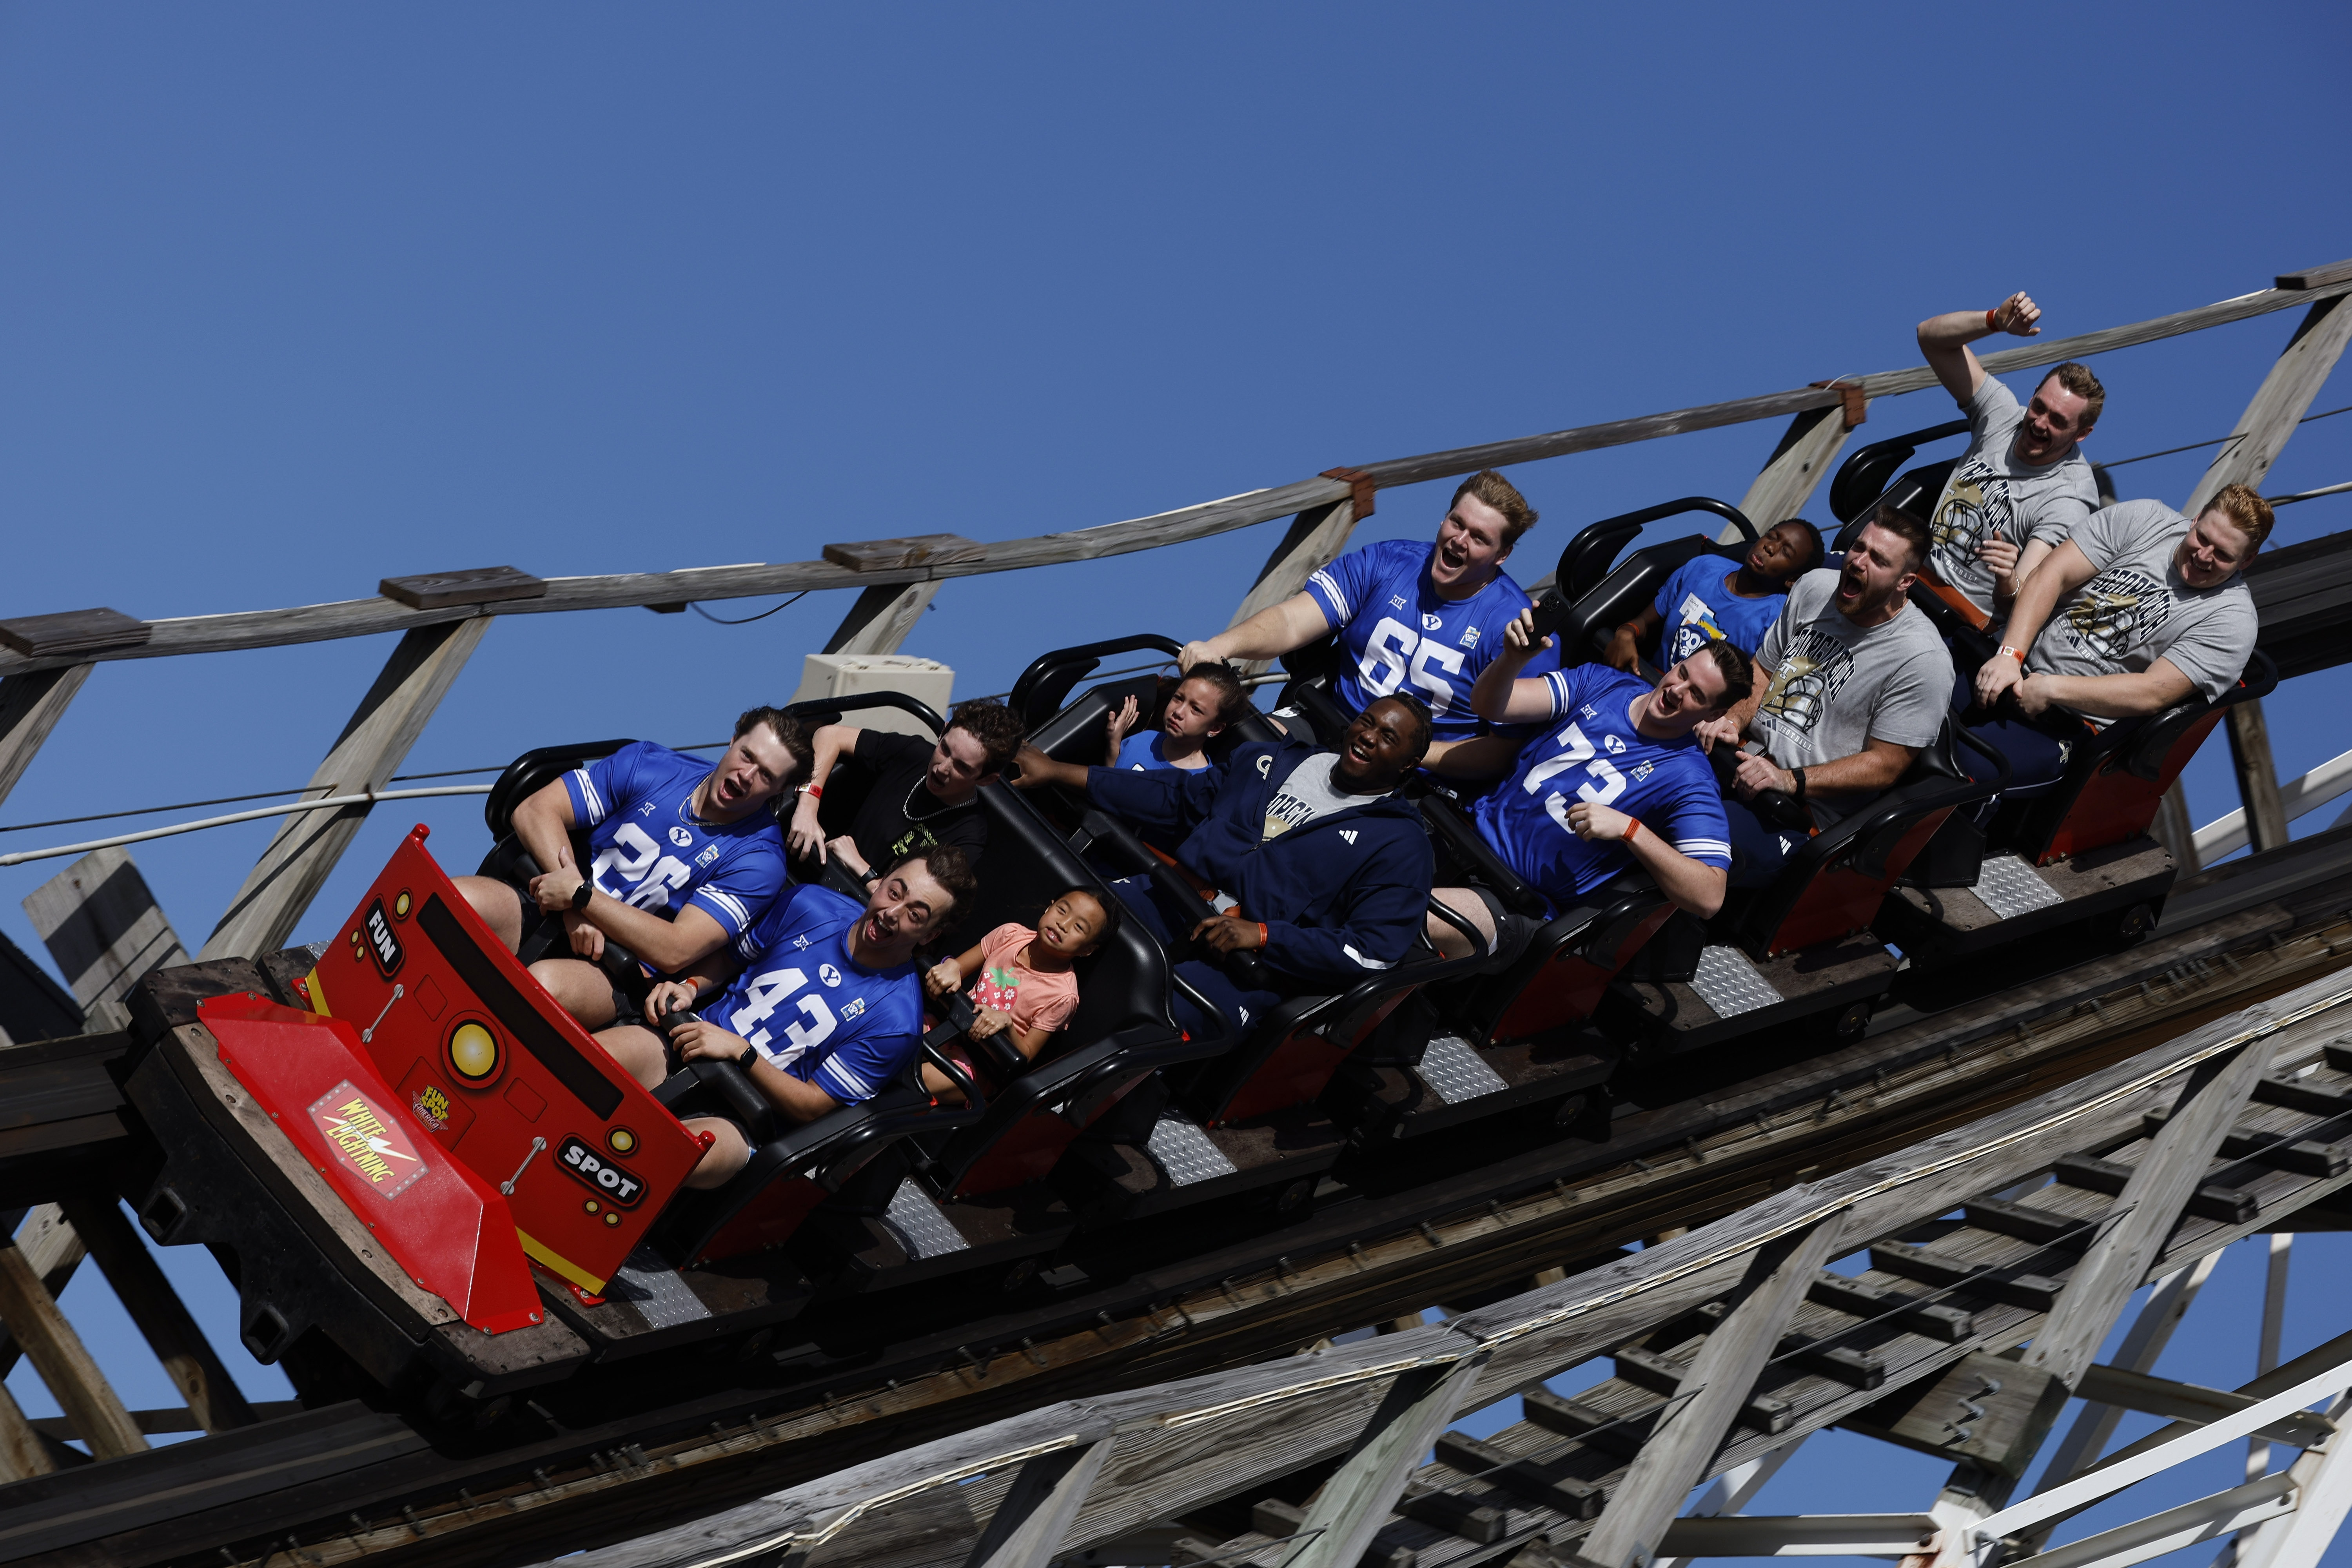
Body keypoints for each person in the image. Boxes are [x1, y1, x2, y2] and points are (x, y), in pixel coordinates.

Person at [1011, 695, 1436, 1039]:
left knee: (1140, 1021)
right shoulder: (1266, 759)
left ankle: (1043, 1106)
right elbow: (1171, 796)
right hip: (1170, 899)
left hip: (1244, 966)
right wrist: (1057, 771)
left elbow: (1373, 951)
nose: (1368, 736)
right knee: (1039, 933)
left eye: (1388, 736)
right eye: (1367, 721)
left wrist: (1265, 936)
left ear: (1406, 766)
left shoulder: (1401, 843)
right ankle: (975, 1011)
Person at [601, 848, 978, 1190]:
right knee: (588, 1066)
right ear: (882, 881)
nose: (891, 914)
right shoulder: (809, 904)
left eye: (915, 915)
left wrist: (742, 1053)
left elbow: (810, 1106)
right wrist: (693, 985)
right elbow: (731, 958)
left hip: (748, 1118)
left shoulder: (897, 1022)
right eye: (895, 892)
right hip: (689, 1042)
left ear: (932, 935)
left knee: (652, 1158)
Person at [1425, 610, 1751, 961]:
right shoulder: (1604, 683)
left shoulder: (1689, 778)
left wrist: (1632, 831)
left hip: (1516, 903)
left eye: (1697, 695)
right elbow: (1490, 704)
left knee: (1396, 915)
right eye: (1682, 673)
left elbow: (1709, 898)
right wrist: (1512, 660)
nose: (1676, 690)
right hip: (1463, 835)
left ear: (1714, 715)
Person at [455, 710, 811, 1028]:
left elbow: (676, 950)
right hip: (554, 904)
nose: (746, 775)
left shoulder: (760, 861)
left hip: (619, 970)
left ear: (781, 790)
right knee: (460, 900)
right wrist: (573, 905)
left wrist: (582, 899)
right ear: (732, 741)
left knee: (544, 984)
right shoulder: (650, 764)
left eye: (766, 775)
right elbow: (534, 810)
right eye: (746, 755)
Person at [1175, 470, 1547, 744]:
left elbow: (1502, 750)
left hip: (1410, 776)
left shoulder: (1516, 627)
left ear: (1503, 556)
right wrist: (1219, 647)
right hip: (1326, 723)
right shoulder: (1389, 561)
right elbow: (1292, 621)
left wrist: (1409, 754)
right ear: (1444, 519)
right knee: (1240, 749)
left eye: (1479, 538)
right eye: (1457, 523)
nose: (1460, 540)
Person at [1696, 506, 1955, 887]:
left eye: (1878, 560)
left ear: (1906, 581)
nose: (1859, 562)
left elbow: (1886, 765)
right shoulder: (1816, 586)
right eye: (1858, 548)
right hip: (1738, 759)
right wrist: (1732, 720)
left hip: (1798, 812)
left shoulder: (1922, 659)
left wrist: (1789, 780)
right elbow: (1764, 669)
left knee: (1695, 844)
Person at [1969, 485, 2268, 795]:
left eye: (2223, 555)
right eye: (2203, 539)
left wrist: (2050, 688)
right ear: (2196, 519)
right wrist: (2010, 655)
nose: (2203, 556)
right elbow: (2052, 573)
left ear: (2246, 561)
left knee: (1971, 771)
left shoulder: (2232, 620)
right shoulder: (2146, 519)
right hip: (2010, 663)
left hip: (2069, 723)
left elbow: (2153, 693)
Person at [1914, 293, 2105, 624]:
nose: (2040, 424)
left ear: (2082, 434)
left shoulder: (2069, 498)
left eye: (2058, 421)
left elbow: (2020, 601)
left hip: (1960, 620)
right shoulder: (2004, 416)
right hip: (1910, 574)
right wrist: (1994, 322)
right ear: (2032, 395)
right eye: (2039, 407)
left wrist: (2008, 580)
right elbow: (1929, 337)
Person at [786, 698, 1026, 882]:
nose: (942, 768)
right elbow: (830, 735)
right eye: (945, 749)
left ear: (986, 780)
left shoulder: (968, 837)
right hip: (812, 867)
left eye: (962, 767)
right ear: (942, 733)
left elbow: (918, 903)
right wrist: (808, 807)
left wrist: (861, 869)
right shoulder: (915, 753)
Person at [920, 885, 1119, 1098]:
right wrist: (951, 966)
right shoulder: (1010, 935)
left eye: (1079, 927)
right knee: (898, 1036)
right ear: (1049, 908)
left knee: (924, 1078)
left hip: (982, 1065)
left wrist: (1007, 1027)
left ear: (1088, 950)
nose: (1064, 924)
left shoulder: (1063, 996)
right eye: (1062, 910)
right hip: (950, 1025)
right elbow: (958, 968)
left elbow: (1026, 1055)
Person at [1603, 519, 1824, 675]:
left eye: (1786, 552)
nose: (1770, 547)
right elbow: (1645, 622)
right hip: (1645, 682)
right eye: (1771, 536)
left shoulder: (1777, 621)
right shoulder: (1703, 568)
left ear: (1793, 580)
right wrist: (1626, 632)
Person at [1105, 664, 1250, 772]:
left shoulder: (1201, 785)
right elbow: (1107, 785)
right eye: (1178, 698)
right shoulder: (1142, 740)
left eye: (1196, 709)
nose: (1179, 712)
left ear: (1215, 728)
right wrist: (1114, 742)